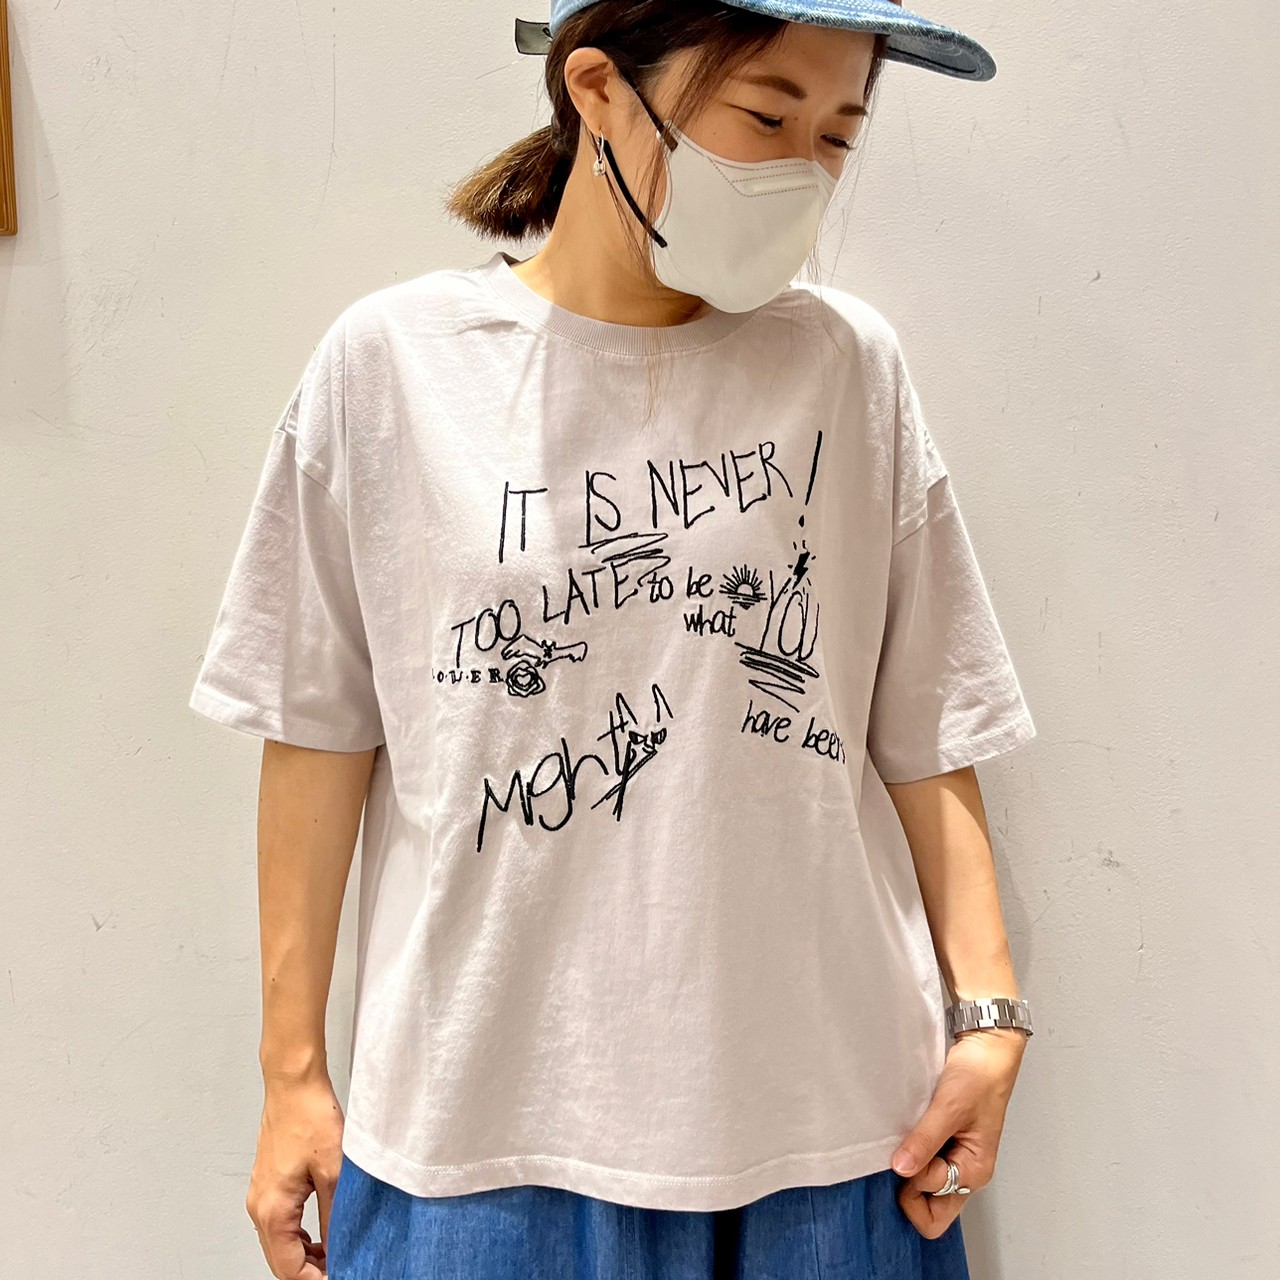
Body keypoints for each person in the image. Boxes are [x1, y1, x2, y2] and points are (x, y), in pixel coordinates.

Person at [187, 2, 1039, 1277]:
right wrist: (292, 1074)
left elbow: (927, 721)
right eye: (763, 115)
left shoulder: (846, 366)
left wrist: (989, 1017)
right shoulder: (394, 366)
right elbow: (314, 727)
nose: (799, 171)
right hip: (481, 1128)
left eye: (835, 135)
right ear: (595, 87)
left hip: (831, 1134)